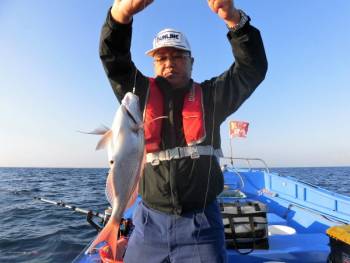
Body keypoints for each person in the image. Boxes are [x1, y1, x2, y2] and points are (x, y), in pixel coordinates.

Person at [99, 0, 267, 262]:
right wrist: (120, 16)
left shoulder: (212, 96)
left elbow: (251, 70)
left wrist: (234, 20)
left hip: (201, 225)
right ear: (154, 64)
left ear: (191, 62)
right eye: (161, 58)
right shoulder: (139, 96)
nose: (170, 64)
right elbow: (114, 61)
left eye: (178, 56)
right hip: (148, 223)